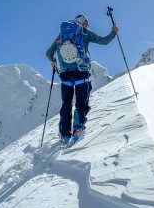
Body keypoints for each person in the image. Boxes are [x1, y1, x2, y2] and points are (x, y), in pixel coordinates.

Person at [46, 14, 118, 145]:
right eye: (86, 23)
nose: (87, 25)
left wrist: (53, 61)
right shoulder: (85, 33)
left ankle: (64, 134)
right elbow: (104, 41)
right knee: (81, 103)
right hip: (81, 73)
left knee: (66, 104)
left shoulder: (62, 34)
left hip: (66, 75)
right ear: (83, 23)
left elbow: (48, 53)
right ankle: (77, 129)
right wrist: (114, 32)